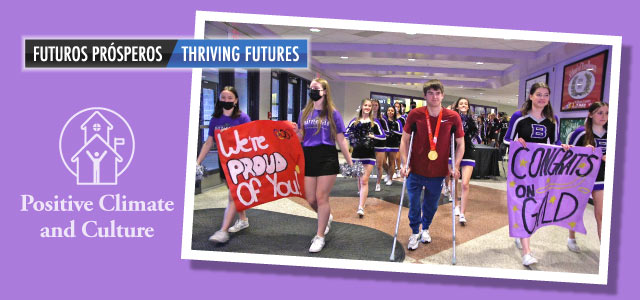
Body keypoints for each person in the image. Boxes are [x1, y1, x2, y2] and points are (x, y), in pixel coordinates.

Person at [503, 82, 571, 266]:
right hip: (520, 169)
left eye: (546, 95)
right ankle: (527, 252)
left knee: (534, 206)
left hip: (540, 169)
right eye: (539, 94)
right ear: (531, 96)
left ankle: (521, 233)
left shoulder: (552, 119)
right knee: (523, 204)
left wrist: (562, 146)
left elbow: (554, 141)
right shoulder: (519, 116)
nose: (542, 98)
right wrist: (517, 141)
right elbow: (506, 138)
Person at [399, 79, 464, 251]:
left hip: (438, 172)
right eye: (430, 93)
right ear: (425, 95)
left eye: (437, 93)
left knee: (431, 205)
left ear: (442, 95)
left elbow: (460, 143)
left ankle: (425, 228)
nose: (434, 97)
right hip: (415, 169)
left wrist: (455, 166)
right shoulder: (415, 114)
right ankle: (414, 232)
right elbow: (405, 140)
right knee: (413, 203)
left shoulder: (452, 117)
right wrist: (405, 163)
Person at [297, 78, 353, 253]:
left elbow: (341, 140)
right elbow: (300, 136)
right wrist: (293, 132)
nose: (312, 90)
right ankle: (326, 216)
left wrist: (350, 162)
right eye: (311, 88)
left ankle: (320, 236)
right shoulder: (304, 112)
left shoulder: (332, 113)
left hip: (327, 155)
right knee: (310, 198)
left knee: (321, 197)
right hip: (308, 155)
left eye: (316, 88)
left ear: (325, 92)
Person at [197, 86, 252, 244]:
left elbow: (251, 140)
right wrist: (197, 162)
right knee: (234, 194)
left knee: (233, 196)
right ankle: (243, 219)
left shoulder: (242, 118)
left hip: (240, 163)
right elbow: (209, 142)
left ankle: (223, 230)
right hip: (224, 162)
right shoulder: (215, 119)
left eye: (230, 98)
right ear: (219, 100)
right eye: (223, 98)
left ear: (235, 100)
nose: (226, 101)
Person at [567, 101, 608, 245]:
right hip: (581, 177)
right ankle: (571, 237)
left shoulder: (612, 133)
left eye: (607, 113)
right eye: (600, 112)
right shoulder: (580, 133)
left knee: (601, 214)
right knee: (577, 210)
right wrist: (583, 151)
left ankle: (605, 249)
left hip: (602, 178)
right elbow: (568, 153)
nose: (604, 116)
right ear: (590, 114)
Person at [346, 99, 385, 217]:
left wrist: (374, 136)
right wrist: (354, 137)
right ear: (361, 107)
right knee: (359, 179)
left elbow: (383, 136)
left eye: (369, 106)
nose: (368, 107)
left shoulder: (375, 122)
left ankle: (361, 207)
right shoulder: (355, 121)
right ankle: (361, 199)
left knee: (364, 180)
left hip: (369, 154)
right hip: (357, 154)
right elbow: (345, 133)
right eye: (365, 105)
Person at [450, 97, 478, 225]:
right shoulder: (452, 118)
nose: (463, 105)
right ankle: (455, 204)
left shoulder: (473, 120)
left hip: (468, 151)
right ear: (457, 106)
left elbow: (475, 136)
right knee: (454, 179)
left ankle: (462, 213)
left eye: (465, 104)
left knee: (465, 184)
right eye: (461, 103)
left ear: (468, 107)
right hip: (454, 150)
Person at [370, 100, 388, 192]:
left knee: (379, 165)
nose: (374, 107)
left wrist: (378, 134)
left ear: (378, 106)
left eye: (376, 105)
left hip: (380, 144)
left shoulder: (382, 118)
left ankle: (378, 183)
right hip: (369, 144)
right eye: (372, 105)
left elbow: (387, 132)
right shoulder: (367, 118)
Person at [384, 105, 403, 186]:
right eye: (389, 110)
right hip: (384, 143)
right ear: (386, 111)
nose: (390, 112)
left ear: (394, 112)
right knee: (382, 162)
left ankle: (390, 178)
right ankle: (389, 173)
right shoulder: (383, 121)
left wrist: (393, 131)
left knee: (392, 162)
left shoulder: (398, 122)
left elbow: (401, 132)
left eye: (392, 110)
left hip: (393, 144)